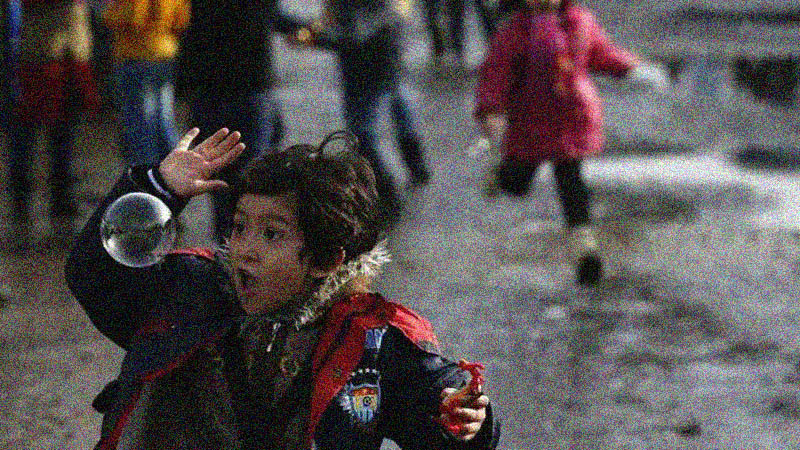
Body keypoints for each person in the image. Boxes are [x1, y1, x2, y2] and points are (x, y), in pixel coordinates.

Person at [65, 127, 501, 449]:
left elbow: (440, 408)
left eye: (272, 234)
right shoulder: (190, 291)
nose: (245, 250)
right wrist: (157, 188)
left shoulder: (370, 339)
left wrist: (466, 420)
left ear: (326, 261)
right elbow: (94, 276)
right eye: (239, 227)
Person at [474, 0, 665, 285]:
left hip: (571, 119)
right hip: (530, 123)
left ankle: (585, 251)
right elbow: (496, 74)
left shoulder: (579, 22)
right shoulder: (515, 31)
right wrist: (491, 109)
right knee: (517, 182)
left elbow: (602, 54)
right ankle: (501, 177)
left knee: (571, 182)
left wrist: (631, 68)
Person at [177, 0, 308, 243]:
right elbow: (274, 17)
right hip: (245, 93)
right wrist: (305, 29)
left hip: (215, 93)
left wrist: (183, 94)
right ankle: (245, 239)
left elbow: (188, 38)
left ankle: (229, 240)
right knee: (250, 172)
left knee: (222, 172)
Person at [299, 0, 432, 219]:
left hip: (368, 67)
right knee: (398, 109)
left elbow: (356, 34)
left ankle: (387, 194)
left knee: (362, 134)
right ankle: (415, 165)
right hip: (381, 59)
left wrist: (314, 37)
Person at [7, 0, 100, 249]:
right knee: (27, 133)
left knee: (63, 135)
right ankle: (23, 199)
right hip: (41, 58)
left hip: (70, 57)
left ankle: (61, 197)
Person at [102, 0, 190, 166]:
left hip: (136, 56)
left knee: (140, 121)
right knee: (164, 116)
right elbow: (181, 21)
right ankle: (175, 165)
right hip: (165, 53)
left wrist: (111, 11)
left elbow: (132, 18)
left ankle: (145, 169)